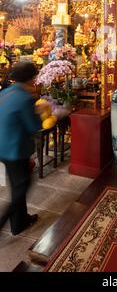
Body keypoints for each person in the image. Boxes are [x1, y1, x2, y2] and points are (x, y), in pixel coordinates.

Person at [0, 62, 42, 235]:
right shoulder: (25, 99)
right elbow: (33, 126)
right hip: (15, 150)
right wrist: (39, 112)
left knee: (17, 184)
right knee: (22, 186)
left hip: (3, 147)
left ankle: (19, 223)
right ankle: (3, 221)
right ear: (31, 78)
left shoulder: (5, 92)